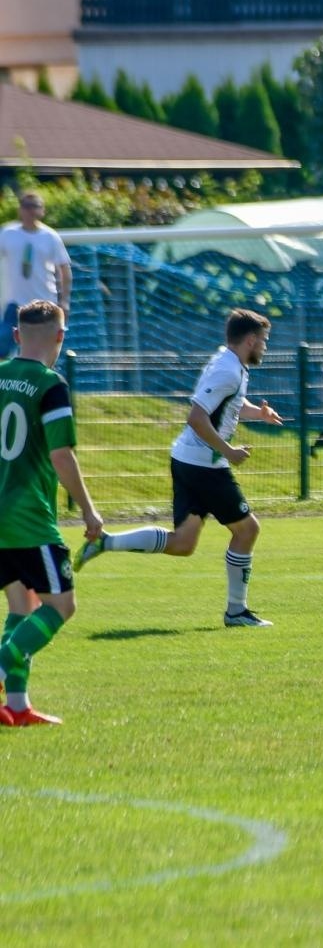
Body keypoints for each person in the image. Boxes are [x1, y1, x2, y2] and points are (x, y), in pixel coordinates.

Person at [75, 309, 283, 627]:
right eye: (264, 341)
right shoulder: (228, 370)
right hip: (205, 465)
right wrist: (228, 449)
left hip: (188, 460)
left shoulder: (230, 363)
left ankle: (106, 541)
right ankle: (237, 612)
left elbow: (229, 406)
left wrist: (260, 414)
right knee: (248, 530)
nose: (265, 347)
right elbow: (197, 417)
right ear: (251, 340)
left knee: (183, 544)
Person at [0, 301, 104, 726]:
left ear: (16, 335)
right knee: (61, 604)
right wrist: (90, 514)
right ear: (60, 337)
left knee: (21, 604)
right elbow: (62, 456)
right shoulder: (50, 384)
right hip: (28, 517)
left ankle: (17, 707)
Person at [0, 192, 71, 360]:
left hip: (44, 303)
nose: (30, 211)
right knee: (3, 347)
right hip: (15, 302)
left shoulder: (50, 236)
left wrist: (65, 301)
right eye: (26, 206)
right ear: (20, 209)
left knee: (45, 350)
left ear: (42, 211)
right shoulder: (8, 233)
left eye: (34, 206)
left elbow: (64, 268)